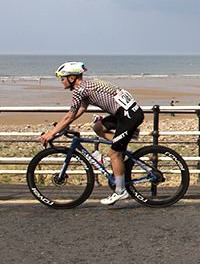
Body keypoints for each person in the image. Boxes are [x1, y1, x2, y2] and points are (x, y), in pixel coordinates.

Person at [40, 62, 145, 205]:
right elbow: (81, 110)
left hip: (128, 116)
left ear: (71, 78)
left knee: (113, 154)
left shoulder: (79, 90)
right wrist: (63, 126)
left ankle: (120, 191)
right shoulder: (88, 86)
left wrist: (52, 133)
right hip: (128, 113)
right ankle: (125, 150)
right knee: (98, 128)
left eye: (62, 78)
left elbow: (70, 116)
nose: (61, 81)